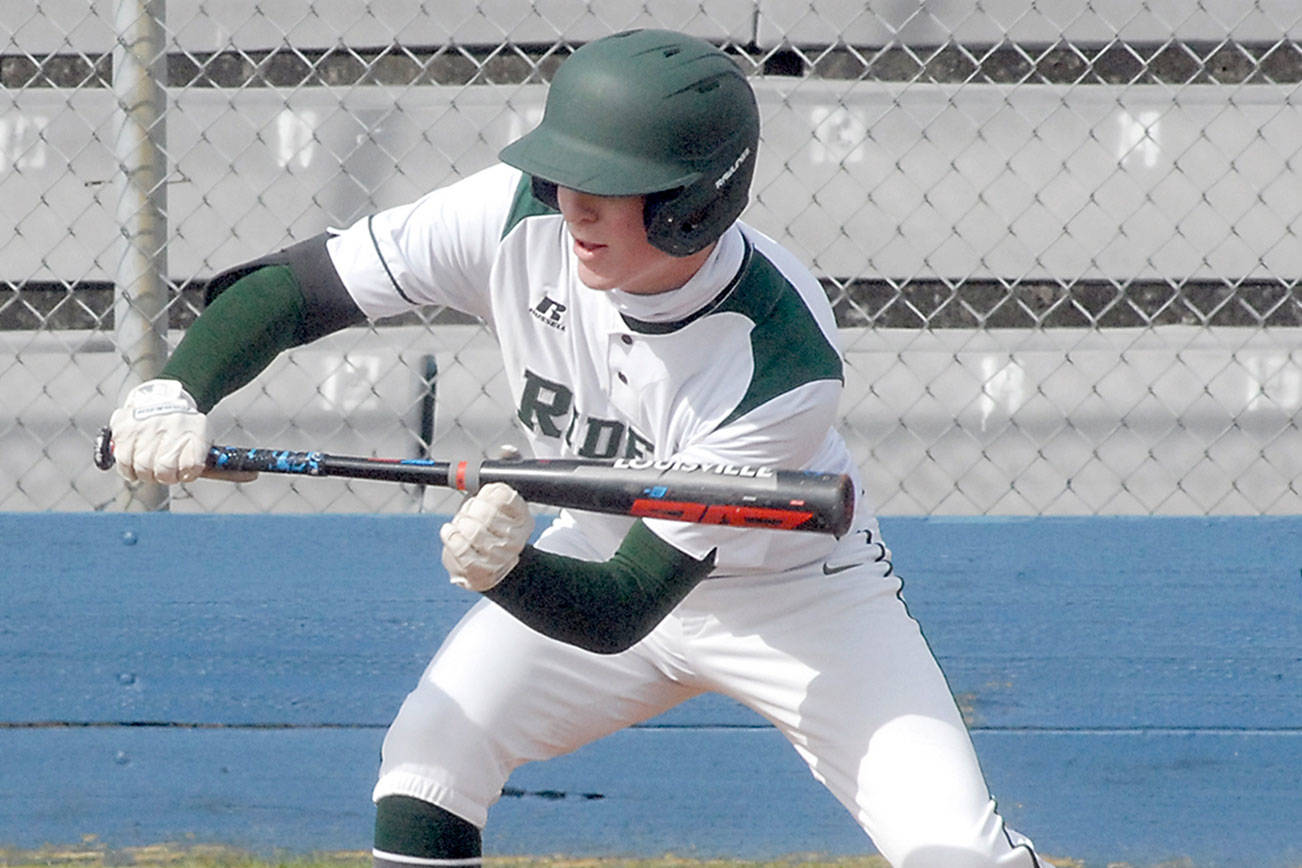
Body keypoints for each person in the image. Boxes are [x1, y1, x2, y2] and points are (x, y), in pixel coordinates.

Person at [107, 28, 1050, 868]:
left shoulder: (780, 358)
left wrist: (504, 570)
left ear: (693, 202)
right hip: (599, 551)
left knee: (955, 852)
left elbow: (621, 613)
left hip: (799, 602)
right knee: (430, 761)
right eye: (567, 174)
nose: (574, 204)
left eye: (612, 187)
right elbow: (294, 289)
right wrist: (173, 390)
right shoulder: (517, 212)